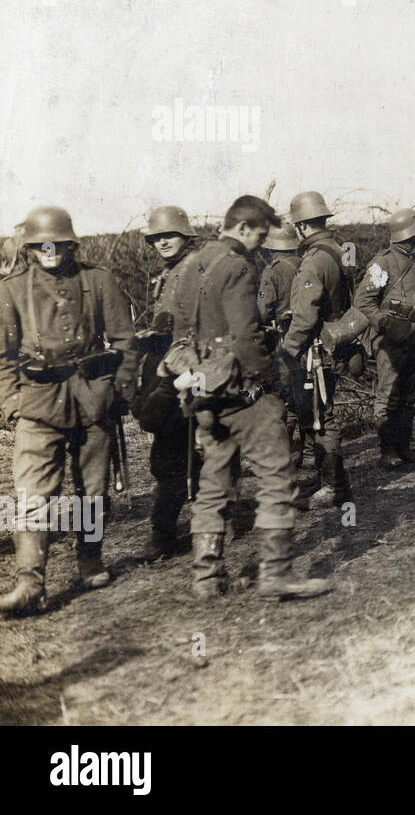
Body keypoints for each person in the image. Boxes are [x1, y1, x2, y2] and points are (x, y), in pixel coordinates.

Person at [169, 195, 330, 601]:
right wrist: (270, 379)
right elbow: (245, 335)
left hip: (204, 392)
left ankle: (206, 577)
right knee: (277, 476)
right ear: (243, 228)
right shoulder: (239, 265)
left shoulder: (192, 264)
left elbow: (181, 332)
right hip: (244, 392)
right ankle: (276, 575)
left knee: (215, 483)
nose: (262, 242)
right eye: (260, 233)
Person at [0, 206, 139, 614]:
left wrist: (117, 393)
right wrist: (12, 405)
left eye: (59, 244)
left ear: (71, 244)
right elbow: (3, 357)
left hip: (92, 396)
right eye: (42, 245)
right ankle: (29, 581)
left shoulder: (98, 281)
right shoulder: (11, 290)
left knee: (91, 489)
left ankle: (90, 559)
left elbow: (126, 343)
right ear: (29, 248)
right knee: (31, 493)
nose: (50, 251)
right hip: (37, 403)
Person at [133, 205, 203, 563]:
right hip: (169, 370)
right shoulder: (169, 273)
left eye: (169, 235)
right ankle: (168, 531)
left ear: (185, 236)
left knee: (181, 451)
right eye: (157, 237)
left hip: (191, 372)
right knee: (170, 453)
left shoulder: (195, 268)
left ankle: (169, 533)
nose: (162, 242)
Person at [281, 190, 353, 508]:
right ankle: (332, 483)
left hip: (316, 350)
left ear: (300, 226)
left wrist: (286, 351)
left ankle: (334, 488)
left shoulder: (313, 260)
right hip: (334, 343)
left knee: (322, 418)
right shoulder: (338, 251)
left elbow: (305, 315)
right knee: (320, 414)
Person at [353, 207, 415, 469]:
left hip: (414, 336)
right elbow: (364, 300)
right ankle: (388, 450)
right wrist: (383, 324)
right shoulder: (383, 263)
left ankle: (403, 447)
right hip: (391, 340)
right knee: (388, 395)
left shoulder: (413, 261)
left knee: (409, 395)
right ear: (409, 235)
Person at [257, 222, 304, 467]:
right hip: (305, 336)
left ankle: (285, 455)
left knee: (279, 394)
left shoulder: (272, 271)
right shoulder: (304, 264)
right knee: (302, 394)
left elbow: (262, 310)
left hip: (282, 337)